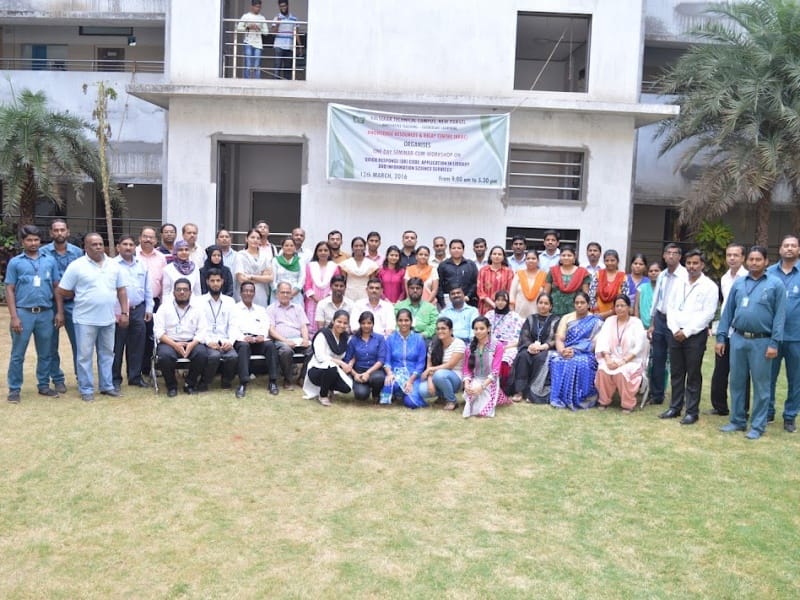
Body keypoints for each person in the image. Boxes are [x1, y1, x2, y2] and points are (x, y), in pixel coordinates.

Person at [717, 246, 786, 440]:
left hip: (762, 341)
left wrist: (774, 343)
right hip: (738, 339)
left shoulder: (775, 284)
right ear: (747, 261)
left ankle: (757, 425)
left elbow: (780, 316)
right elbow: (728, 311)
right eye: (751, 259)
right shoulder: (739, 283)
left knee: (761, 386)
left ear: (766, 262)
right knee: (736, 382)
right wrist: (721, 336)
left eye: (758, 259)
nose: (754, 263)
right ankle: (737, 420)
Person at [57, 233, 128, 402]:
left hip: (108, 319)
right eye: (94, 244)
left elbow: (121, 290)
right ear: (85, 247)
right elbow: (62, 290)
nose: (98, 247)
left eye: (100, 244)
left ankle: (107, 386)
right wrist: (78, 294)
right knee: (84, 356)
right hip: (85, 319)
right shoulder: (77, 266)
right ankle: (86, 389)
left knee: (107, 354)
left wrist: (124, 312)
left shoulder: (114, 265)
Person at [659, 250, 719, 425]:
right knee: (677, 372)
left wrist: (686, 331)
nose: (692, 266)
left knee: (693, 374)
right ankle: (675, 407)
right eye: (689, 263)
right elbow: (670, 307)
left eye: (695, 263)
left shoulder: (709, 286)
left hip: (694, 336)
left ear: (702, 265)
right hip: (675, 333)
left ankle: (692, 412)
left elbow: (708, 314)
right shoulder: (679, 282)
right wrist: (675, 328)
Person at [6, 225, 64, 403]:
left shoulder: (50, 261)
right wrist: (14, 317)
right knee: (18, 354)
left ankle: (44, 385)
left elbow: (56, 287)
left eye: (36, 240)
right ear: (22, 242)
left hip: (45, 313)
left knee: (46, 352)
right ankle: (14, 389)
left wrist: (60, 312)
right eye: (29, 240)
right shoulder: (15, 262)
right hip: (24, 313)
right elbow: (10, 289)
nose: (33, 243)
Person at [40, 218, 82, 393]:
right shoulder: (42, 253)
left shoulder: (78, 252)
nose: (59, 233)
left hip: (74, 303)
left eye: (62, 230)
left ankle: (82, 377)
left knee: (79, 343)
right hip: (50, 304)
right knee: (51, 344)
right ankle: (57, 379)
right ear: (51, 233)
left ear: (68, 232)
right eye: (56, 230)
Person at [708, 243, 749, 417]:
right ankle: (720, 407)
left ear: (743, 258)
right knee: (720, 371)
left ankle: (742, 410)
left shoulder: (748, 278)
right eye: (729, 255)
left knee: (741, 374)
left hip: (741, 332)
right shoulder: (724, 278)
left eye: (736, 255)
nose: (732, 258)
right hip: (725, 331)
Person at [766, 234, 800, 432]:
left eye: (793, 245)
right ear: (780, 249)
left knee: (796, 380)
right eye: (786, 245)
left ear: (798, 250)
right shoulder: (769, 273)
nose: (789, 248)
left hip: (797, 337)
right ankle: (768, 412)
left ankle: (790, 416)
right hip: (772, 337)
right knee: (768, 377)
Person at [647, 243, 687, 405]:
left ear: (679, 256)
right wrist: (652, 322)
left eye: (674, 253)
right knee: (658, 358)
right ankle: (657, 395)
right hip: (660, 319)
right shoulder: (662, 274)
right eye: (668, 253)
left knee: (677, 361)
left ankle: (678, 397)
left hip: (676, 321)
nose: (671, 256)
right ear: (664, 255)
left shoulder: (685, 275)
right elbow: (656, 298)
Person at [112, 235, 153, 392]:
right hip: (117, 310)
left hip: (138, 309)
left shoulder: (141, 265)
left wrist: (149, 308)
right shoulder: (111, 265)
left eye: (131, 244)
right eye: (125, 244)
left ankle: (135, 377)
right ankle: (115, 379)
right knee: (117, 346)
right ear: (118, 247)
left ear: (135, 247)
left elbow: (147, 288)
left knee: (137, 345)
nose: (128, 247)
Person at [153, 278, 208, 397]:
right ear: (173, 293)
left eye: (185, 290)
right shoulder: (164, 308)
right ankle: (171, 386)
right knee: (165, 356)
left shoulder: (198, 309)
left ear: (190, 293)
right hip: (169, 342)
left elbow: (202, 331)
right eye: (178, 290)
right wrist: (174, 345)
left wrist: (192, 344)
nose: (182, 292)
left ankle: (190, 384)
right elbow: (158, 332)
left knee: (202, 354)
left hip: (191, 342)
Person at [549, 292, 602, 410]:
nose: (579, 305)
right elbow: (559, 338)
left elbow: (594, 343)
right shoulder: (567, 318)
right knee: (556, 360)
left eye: (582, 303)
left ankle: (581, 398)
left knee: (579, 362)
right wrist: (562, 351)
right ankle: (560, 397)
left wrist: (576, 350)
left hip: (586, 353)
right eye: (577, 303)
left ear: (588, 304)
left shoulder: (595, 321)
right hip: (566, 350)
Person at [595, 294, 648, 413]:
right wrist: (608, 359)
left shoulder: (636, 323)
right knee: (603, 370)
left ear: (629, 307)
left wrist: (622, 362)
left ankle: (627, 404)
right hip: (611, 357)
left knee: (622, 373)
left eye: (622, 306)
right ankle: (604, 400)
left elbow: (639, 347)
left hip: (630, 360)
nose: (619, 308)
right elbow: (602, 341)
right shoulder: (609, 321)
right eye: (617, 306)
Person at [508, 293, 560, 404]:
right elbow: (524, 335)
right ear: (537, 304)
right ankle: (519, 391)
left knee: (540, 358)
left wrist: (543, 347)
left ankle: (532, 393)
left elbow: (556, 338)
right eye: (540, 303)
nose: (543, 305)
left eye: (546, 303)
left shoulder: (556, 320)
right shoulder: (530, 318)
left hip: (547, 349)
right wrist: (530, 346)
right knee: (523, 356)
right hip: (530, 348)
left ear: (551, 306)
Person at [232, 281, 280, 397]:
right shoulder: (234, 309)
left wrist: (262, 335)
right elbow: (232, 327)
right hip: (242, 340)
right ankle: (243, 383)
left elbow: (265, 325)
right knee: (244, 347)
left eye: (251, 291)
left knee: (270, 345)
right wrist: (243, 337)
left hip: (258, 340)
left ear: (254, 293)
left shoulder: (260, 309)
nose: (248, 293)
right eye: (246, 291)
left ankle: (273, 381)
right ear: (241, 293)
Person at [199, 269, 239, 392]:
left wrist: (230, 342)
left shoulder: (230, 301)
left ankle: (226, 381)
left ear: (222, 281)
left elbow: (234, 325)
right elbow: (198, 326)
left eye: (218, 280)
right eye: (212, 281)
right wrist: (208, 342)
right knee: (214, 356)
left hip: (224, 339)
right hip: (207, 340)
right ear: (207, 282)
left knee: (233, 356)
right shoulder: (199, 301)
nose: (215, 284)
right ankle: (204, 382)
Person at [302, 310, 352, 406]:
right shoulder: (323, 334)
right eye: (339, 321)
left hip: (336, 370)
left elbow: (347, 356)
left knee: (346, 388)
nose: (342, 325)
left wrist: (347, 365)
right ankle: (323, 395)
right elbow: (320, 357)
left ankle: (329, 388)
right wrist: (341, 363)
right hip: (317, 370)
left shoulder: (345, 337)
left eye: (345, 323)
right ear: (333, 321)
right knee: (330, 367)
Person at [136, 226, 167, 382]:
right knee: (136, 337)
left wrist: (162, 304)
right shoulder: (133, 254)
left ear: (156, 240)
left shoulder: (161, 258)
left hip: (154, 302)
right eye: (145, 236)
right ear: (140, 238)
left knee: (151, 336)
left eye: (151, 237)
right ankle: (134, 370)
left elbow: (163, 282)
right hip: (136, 303)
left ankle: (148, 368)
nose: (148, 239)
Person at [268, 280, 311, 388]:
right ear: (277, 294)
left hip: (298, 340)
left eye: (288, 292)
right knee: (286, 351)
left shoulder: (298, 308)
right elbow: (271, 330)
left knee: (313, 350)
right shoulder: (271, 309)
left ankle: (302, 378)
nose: (285, 295)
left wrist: (305, 339)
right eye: (282, 292)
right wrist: (285, 341)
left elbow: (303, 326)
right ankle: (288, 380)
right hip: (281, 341)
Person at [417, 317, 466, 411]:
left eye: (443, 328)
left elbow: (450, 365)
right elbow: (429, 365)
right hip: (437, 376)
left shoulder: (459, 343)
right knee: (422, 390)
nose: (440, 331)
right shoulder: (433, 344)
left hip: (456, 378)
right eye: (438, 329)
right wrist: (430, 380)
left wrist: (430, 370)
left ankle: (452, 401)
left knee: (439, 374)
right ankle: (442, 397)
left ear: (451, 331)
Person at [462, 316, 507, 417]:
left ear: (488, 329)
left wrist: (482, 387)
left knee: (484, 413)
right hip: (476, 379)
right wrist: (466, 384)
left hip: (490, 381)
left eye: (482, 328)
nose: (478, 331)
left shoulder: (497, 345)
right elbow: (467, 369)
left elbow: (495, 371)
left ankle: (498, 397)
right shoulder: (469, 347)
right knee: (471, 404)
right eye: (476, 329)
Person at [383, 309, 427, 407]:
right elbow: (387, 361)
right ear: (397, 322)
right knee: (387, 392)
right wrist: (389, 374)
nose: (403, 323)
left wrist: (410, 381)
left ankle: (405, 395)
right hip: (395, 374)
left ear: (411, 322)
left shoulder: (419, 339)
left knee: (411, 403)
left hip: (413, 375)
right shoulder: (390, 339)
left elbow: (421, 364)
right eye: (400, 320)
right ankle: (398, 393)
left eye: (406, 320)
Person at [344, 311, 387, 402]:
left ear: (373, 324)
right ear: (360, 324)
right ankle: (365, 388)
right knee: (361, 395)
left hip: (375, 371)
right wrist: (355, 375)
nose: (366, 326)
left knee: (378, 378)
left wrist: (367, 373)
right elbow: (347, 360)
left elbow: (381, 360)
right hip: (359, 372)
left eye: (369, 323)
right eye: (363, 323)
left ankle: (376, 393)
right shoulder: (354, 340)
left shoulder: (380, 338)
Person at [484, 290, 523, 391]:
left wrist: (505, 347)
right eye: (498, 300)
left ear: (507, 302)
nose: (500, 302)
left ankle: (503, 388)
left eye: (503, 300)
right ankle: (486, 385)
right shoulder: (489, 315)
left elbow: (519, 338)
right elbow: (483, 334)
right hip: (490, 344)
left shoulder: (515, 317)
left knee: (505, 360)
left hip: (509, 346)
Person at [304, 241, 341, 334]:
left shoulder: (334, 267)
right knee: (311, 324)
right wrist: (316, 299)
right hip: (312, 300)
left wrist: (325, 299)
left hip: (328, 299)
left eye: (325, 250)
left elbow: (336, 284)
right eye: (320, 250)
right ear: (316, 252)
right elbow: (307, 285)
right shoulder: (310, 266)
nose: (323, 253)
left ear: (329, 252)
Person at [545, 244, 591, 317]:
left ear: (574, 257)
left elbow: (585, 295)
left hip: (575, 312)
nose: (566, 258)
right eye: (563, 255)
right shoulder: (553, 271)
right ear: (560, 257)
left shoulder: (582, 273)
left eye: (569, 255)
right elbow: (546, 293)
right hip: (554, 311)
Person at [234, 228, 273, 306]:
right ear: (246, 239)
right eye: (252, 237)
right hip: (245, 292)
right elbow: (241, 279)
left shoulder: (265, 256)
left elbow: (270, 278)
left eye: (258, 238)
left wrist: (251, 276)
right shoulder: (240, 255)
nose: (255, 240)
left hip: (261, 293)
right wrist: (261, 277)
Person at [437, 238, 479, 309]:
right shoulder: (443, 265)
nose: (456, 250)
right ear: (449, 250)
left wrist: (468, 296)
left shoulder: (470, 265)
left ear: (463, 250)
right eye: (454, 248)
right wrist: (442, 302)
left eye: (459, 248)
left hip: (468, 302)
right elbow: (439, 285)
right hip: (448, 303)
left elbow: (475, 283)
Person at [394, 277, 438, 342]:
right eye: (412, 288)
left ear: (422, 290)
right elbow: (395, 324)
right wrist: (404, 335)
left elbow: (435, 324)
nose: (415, 290)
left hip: (424, 338)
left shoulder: (430, 308)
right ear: (408, 289)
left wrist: (423, 334)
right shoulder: (399, 306)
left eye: (418, 288)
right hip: (402, 337)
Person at [589, 249, 629, 319]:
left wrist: (612, 312)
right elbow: (591, 295)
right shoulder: (598, 274)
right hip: (597, 314)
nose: (609, 263)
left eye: (612, 260)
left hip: (616, 314)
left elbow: (624, 297)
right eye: (607, 260)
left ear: (617, 261)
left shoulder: (623, 277)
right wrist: (597, 312)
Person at [477, 245, 514, 315]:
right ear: (490, 256)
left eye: (499, 254)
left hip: (503, 307)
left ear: (503, 257)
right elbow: (480, 291)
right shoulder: (483, 271)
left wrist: (500, 304)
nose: (497, 256)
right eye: (494, 254)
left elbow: (510, 291)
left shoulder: (509, 272)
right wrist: (493, 304)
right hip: (485, 307)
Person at [339, 237, 379, 302]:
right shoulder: (345, 264)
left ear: (365, 248)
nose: (358, 248)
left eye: (361, 246)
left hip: (365, 295)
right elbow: (343, 283)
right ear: (352, 248)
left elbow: (372, 283)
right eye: (356, 246)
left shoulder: (371, 264)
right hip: (349, 295)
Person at [237, 0, 269, 79]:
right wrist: (248, 27)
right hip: (248, 42)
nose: (258, 9)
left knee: (257, 65)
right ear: (252, 6)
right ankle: (247, 82)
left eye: (259, 7)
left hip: (258, 44)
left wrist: (259, 28)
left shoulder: (262, 18)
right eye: (256, 7)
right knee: (248, 64)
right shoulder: (246, 16)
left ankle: (257, 82)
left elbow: (266, 32)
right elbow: (238, 28)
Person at [509, 250, 547, 318]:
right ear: (525, 261)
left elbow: (545, 296)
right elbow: (512, 294)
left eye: (533, 258)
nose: (530, 260)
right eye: (528, 258)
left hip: (537, 315)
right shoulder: (519, 274)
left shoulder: (543, 276)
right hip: (519, 315)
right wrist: (512, 313)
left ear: (538, 261)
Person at [271, 237, 305, 307]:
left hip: (295, 295)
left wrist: (292, 293)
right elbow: (272, 279)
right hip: (278, 295)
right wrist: (279, 293)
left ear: (295, 247)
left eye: (291, 246)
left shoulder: (300, 261)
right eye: (286, 245)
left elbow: (302, 279)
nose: (289, 248)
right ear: (282, 247)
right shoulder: (275, 260)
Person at [271, 0, 299, 80]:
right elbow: (273, 33)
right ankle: (276, 84)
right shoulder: (276, 18)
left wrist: (299, 46)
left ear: (287, 6)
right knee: (277, 67)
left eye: (284, 6)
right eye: (281, 6)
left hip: (289, 46)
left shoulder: (294, 18)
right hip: (278, 46)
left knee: (288, 68)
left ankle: (287, 84)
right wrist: (278, 23)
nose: (283, 8)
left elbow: (296, 33)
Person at [634, 261, 661, 329]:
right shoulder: (641, 288)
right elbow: (636, 307)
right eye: (650, 271)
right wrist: (638, 324)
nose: (653, 273)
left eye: (656, 271)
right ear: (648, 273)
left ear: (661, 272)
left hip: (659, 326)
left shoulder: (664, 288)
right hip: (642, 325)